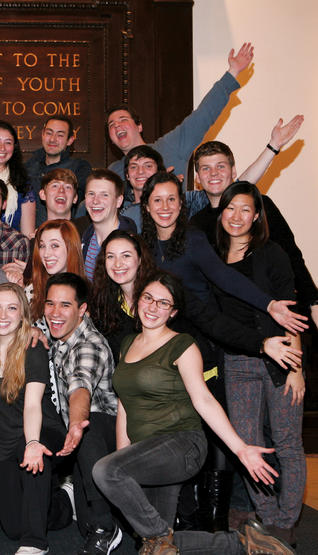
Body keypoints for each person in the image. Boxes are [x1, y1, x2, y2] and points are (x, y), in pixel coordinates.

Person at [91, 272, 294, 555]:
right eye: (148, 298)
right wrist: (124, 456)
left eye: (163, 303)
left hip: (182, 445)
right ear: (138, 301)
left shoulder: (182, 345)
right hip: (147, 451)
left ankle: (160, 535)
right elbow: (125, 403)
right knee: (152, 545)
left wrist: (241, 449)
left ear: (173, 312)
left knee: (105, 470)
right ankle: (243, 544)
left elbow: (203, 400)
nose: (153, 307)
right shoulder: (127, 345)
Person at [215, 182, 305, 546]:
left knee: (287, 442)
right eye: (230, 208)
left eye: (245, 210)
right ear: (222, 212)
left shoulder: (272, 253)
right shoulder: (215, 257)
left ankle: (285, 520)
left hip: (281, 360)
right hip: (237, 364)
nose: (236, 217)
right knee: (250, 442)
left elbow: (291, 311)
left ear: (256, 216)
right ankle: (267, 516)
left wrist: (297, 369)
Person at [140, 171, 307, 336]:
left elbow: (225, 276)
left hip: (201, 336)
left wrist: (268, 304)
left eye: (171, 199)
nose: (165, 207)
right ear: (147, 206)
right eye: (157, 200)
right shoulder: (143, 244)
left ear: (181, 203)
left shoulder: (193, 239)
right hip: (162, 334)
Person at [189, 132, 317, 325]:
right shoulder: (196, 225)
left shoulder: (262, 206)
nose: (213, 173)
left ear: (233, 172)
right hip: (229, 327)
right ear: (198, 177)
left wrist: (313, 301)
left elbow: (292, 256)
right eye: (206, 168)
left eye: (220, 166)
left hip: (277, 316)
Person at [0, 283, 67, 555]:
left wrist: (33, 443)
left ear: (22, 315)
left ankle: (37, 543)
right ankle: (62, 502)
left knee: (33, 456)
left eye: (12, 308)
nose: (3, 315)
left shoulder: (33, 347)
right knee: (13, 528)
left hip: (40, 430)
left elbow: (32, 407)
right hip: (3, 438)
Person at [43, 273, 119, 555]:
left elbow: (80, 387)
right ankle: (71, 494)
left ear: (82, 309)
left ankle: (105, 529)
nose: (55, 313)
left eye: (65, 305)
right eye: (50, 304)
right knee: (71, 524)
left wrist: (76, 424)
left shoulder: (90, 344)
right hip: (73, 437)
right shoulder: (55, 327)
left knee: (89, 428)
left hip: (105, 434)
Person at [106, 43, 254, 188]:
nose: (117, 125)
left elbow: (203, 116)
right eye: (111, 125)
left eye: (123, 119)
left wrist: (233, 72)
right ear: (111, 139)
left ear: (139, 126)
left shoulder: (170, 147)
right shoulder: (114, 172)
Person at [88, 230, 156, 363]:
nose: (117, 264)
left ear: (140, 259)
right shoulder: (105, 303)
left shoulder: (160, 296)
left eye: (126, 256)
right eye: (110, 257)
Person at [24, 116, 91, 224]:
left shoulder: (79, 168)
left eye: (60, 135)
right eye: (49, 133)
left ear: (70, 140)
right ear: (42, 134)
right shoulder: (28, 168)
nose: (52, 139)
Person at [73, 169, 136, 281]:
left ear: (119, 201)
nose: (95, 201)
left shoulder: (131, 243)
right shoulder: (82, 235)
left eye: (104, 195)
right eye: (91, 194)